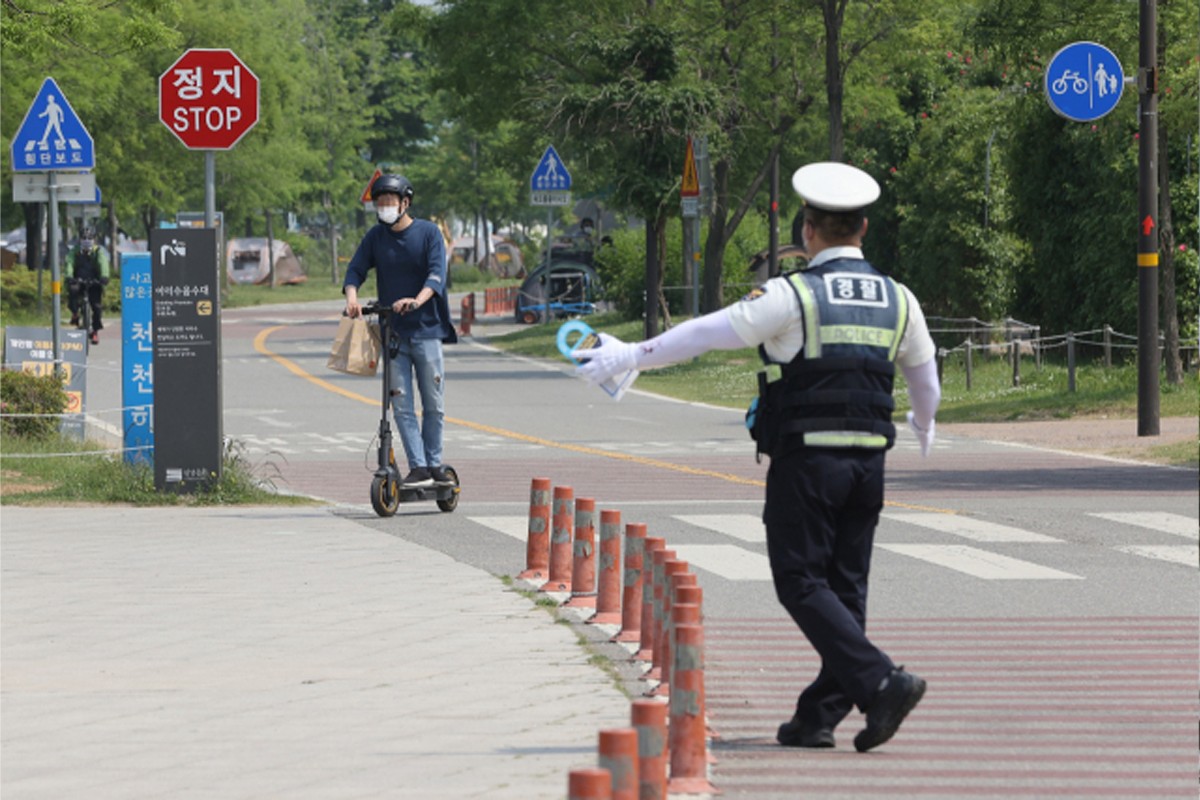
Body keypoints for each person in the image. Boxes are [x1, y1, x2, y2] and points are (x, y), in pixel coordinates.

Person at [572, 162, 940, 753]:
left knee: (799, 581)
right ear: (864, 229)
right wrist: (923, 424)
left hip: (808, 463)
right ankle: (817, 716)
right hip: (870, 465)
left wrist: (631, 354)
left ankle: (882, 682)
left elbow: (706, 332)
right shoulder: (899, 298)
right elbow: (926, 380)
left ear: (807, 232)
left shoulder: (792, 294)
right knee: (845, 591)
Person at [344, 174, 458, 488]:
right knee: (401, 403)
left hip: (426, 330)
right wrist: (352, 298)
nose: (384, 208)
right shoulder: (375, 237)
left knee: (433, 403)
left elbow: (436, 275)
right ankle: (419, 466)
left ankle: (434, 463)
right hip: (392, 333)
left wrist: (416, 300)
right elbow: (355, 269)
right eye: (379, 203)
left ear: (405, 203)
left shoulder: (429, 233)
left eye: (389, 202)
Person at [65, 226, 111, 345]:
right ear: (79, 239)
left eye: (89, 238)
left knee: (97, 306)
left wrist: (104, 277)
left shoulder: (97, 252)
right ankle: (75, 313)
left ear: (94, 239)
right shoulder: (74, 251)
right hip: (78, 280)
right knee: (73, 291)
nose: (86, 240)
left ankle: (95, 331)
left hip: (94, 281)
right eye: (84, 238)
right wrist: (69, 276)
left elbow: (103, 264)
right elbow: (69, 263)